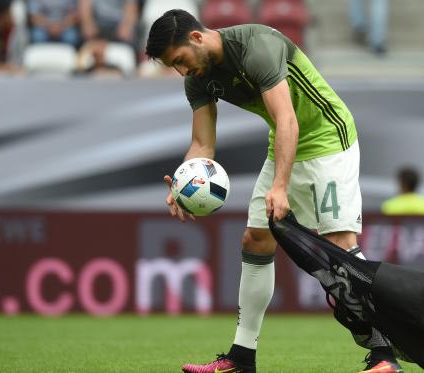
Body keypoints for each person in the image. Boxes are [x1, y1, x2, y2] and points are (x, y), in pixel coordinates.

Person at [145, 9, 403, 373]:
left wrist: (280, 187)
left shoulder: (256, 46)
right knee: (255, 239)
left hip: (328, 139)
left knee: (341, 245)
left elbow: (288, 118)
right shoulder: (198, 80)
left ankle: (384, 357)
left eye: (180, 60)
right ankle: (241, 358)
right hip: (283, 144)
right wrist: (185, 181)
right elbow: (203, 145)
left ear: (197, 38)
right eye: (174, 66)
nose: (182, 71)